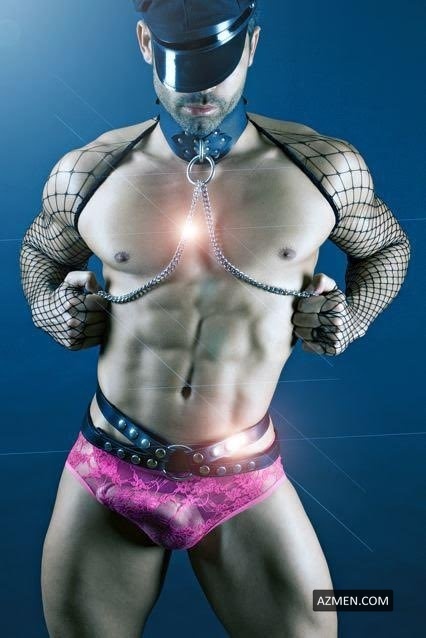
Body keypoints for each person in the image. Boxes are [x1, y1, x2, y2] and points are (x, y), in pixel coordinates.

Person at [20, 1, 410, 636]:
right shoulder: (90, 172)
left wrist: (355, 316)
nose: (200, 89)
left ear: (250, 45)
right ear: (145, 43)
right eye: (182, 65)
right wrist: (48, 307)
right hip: (110, 470)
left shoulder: (321, 168)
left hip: (241, 473)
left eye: (217, 64)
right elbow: (41, 251)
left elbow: (387, 246)